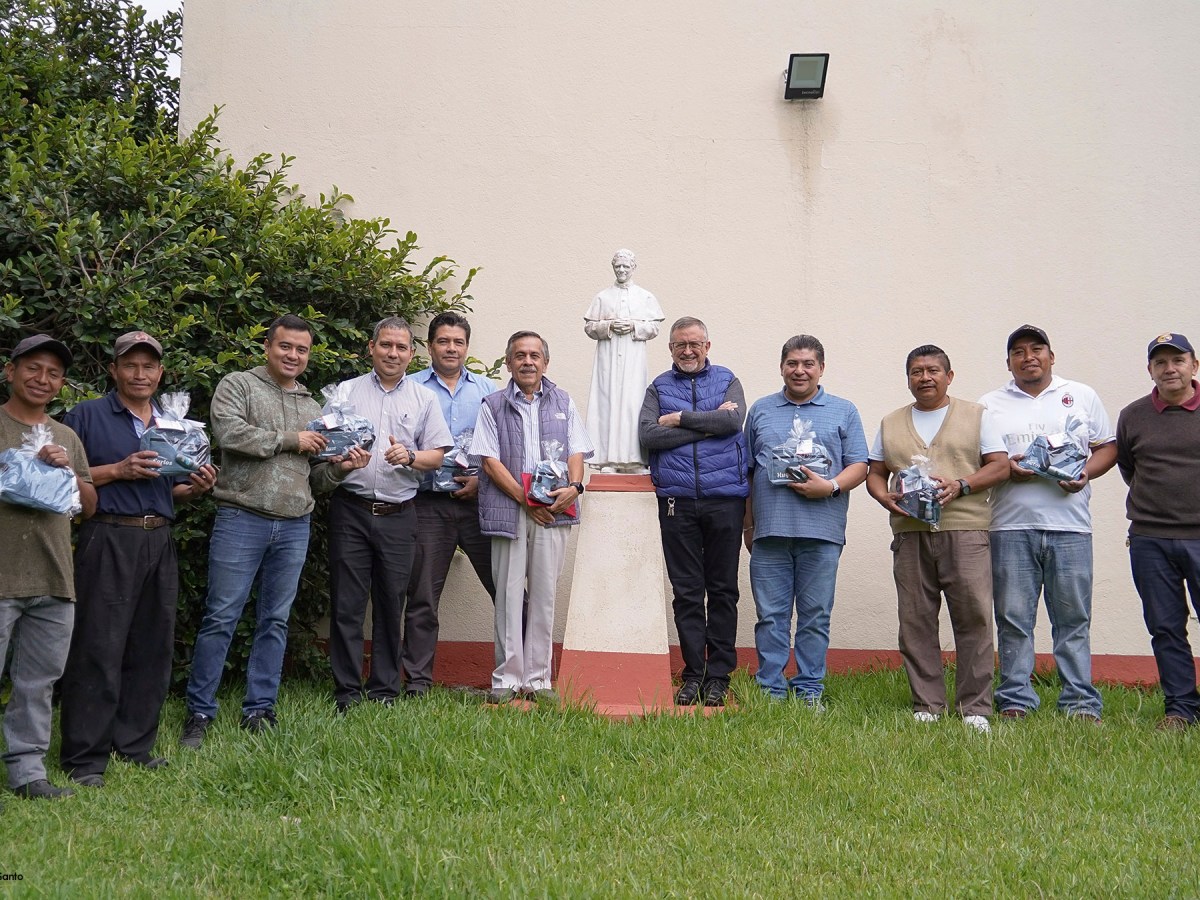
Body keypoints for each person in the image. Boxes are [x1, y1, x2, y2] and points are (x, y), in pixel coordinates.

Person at [180, 314, 369, 748]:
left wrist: (340, 469)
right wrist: (292, 439)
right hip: (240, 518)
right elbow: (229, 435)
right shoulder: (238, 385)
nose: (293, 356)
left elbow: (314, 480)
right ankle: (199, 712)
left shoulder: (314, 407)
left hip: (294, 525)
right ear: (268, 346)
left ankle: (260, 709)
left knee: (275, 621)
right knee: (221, 617)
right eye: (285, 346)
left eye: (301, 350)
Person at [59, 331, 218, 787]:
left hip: (158, 539)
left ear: (161, 373)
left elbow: (169, 489)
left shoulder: (175, 424)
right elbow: (65, 479)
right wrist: (117, 470)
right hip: (107, 537)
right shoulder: (86, 415)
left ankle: (133, 745)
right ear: (114, 370)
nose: (140, 373)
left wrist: (196, 488)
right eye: (131, 365)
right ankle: (85, 757)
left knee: (151, 647)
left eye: (149, 366)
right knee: (97, 648)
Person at [865, 344, 1008, 732]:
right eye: (916, 371)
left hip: (964, 530)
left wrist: (962, 485)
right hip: (910, 533)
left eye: (932, 370)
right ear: (908, 378)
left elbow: (1000, 466)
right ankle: (927, 703)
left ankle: (975, 708)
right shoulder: (892, 422)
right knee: (915, 618)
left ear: (949, 375)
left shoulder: (977, 416)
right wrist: (883, 497)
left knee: (973, 617)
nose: (924, 377)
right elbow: (874, 471)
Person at [979, 325, 1115, 723]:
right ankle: (1016, 699)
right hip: (1009, 526)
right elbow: (984, 462)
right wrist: (1009, 470)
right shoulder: (989, 404)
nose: (1028, 357)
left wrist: (1086, 474)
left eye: (1037, 349)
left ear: (1051, 356)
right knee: (1013, 618)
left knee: (1073, 618)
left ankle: (1080, 702)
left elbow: (1108, 447)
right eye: (1018, 352)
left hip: (1071, 526)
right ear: (1009, 363)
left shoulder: (1081, 396)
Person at [328, 317, 452, 712]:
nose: (393, 353)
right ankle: (346, 690)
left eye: (401, 348)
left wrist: (411, 456)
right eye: (386, 345)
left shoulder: (423, 398)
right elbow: (323, 444)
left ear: (410, 353)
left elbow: (437, 455)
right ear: (371, 347)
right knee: (347, 604)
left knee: (390, 602)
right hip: (351, 509)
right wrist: (341, 459)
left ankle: (384, 690)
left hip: (400, 514)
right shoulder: (345, 393)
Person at [743, 335, 868, 706]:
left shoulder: (843, 410)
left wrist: (829, 487)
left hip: (823, 531)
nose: (799, 370)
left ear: (821, 368)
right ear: (781, 367)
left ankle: (809, 687)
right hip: (769, 531)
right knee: (770, 616)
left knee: (815, 615)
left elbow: (860, 465)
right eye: (792, 363)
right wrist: (748, 525)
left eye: (808, 364)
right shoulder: (762, 410)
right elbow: (747, 472)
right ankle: (770, 688)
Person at [471, 331, 593, 703]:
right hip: (510, 510)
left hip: (554, 509)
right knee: (508, 593)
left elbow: (577, 450)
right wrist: (528, 502)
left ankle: (538, 680)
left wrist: (574, 486)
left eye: (535, 355)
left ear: (545, 362)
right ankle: (506, 679)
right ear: (508, 363)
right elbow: (489, 462)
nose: (528, 361)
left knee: (543, 595)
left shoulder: (563, 401)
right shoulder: (491, 405)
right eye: (520, 355)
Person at [0, 335, 96, 799]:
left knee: (38, 684)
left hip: (55, 579)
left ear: (61, 385)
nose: (42, 379)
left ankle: (28, 774)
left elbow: (90, 505)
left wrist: (67, 472)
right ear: (10, 371)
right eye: (33, 368)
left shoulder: (66, 436)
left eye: (53, 373)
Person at [638, 316, 748, 707]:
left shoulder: (727, 379)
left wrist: (681, 419)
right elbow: (649, 435)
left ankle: (718, 675)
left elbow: (734, 421)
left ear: (707, 346)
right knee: (686, 592)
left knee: (722, 590)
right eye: (680, 344)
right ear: (670, 349)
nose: (688, 350)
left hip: (725, 499)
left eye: (695, 344)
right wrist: (708, 425)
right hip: (676, 500)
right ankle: (692, 674)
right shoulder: (659, 387)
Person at [406, 312, 497, 696]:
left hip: (481, 504)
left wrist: (484, 481)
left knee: (507, 590)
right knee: (423, 596)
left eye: (458, 342)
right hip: (428, 505)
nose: (451, 348)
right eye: (443, 341)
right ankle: (417, 682)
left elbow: (504, 447)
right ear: (429, 347)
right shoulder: (409, 388)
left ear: (467, 347)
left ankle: (523, 677)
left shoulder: (489, 390)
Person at [1116, 332, 1200, 730]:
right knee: (1165, 627)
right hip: (1149, 539)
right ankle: (1181, 709)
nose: (1170, 368)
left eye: (1177, 360)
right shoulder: (1133, 416)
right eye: (1160, 362)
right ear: (1150, 370)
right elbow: (1130, 468)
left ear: (1193, 365)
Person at [584, 249, 664, 472]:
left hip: (633, 359)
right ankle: (608, 460)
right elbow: (590, 327)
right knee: (607, 404)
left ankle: (635, 460)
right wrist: (608, 326)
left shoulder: (645, 297)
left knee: (633, 403)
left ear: (633, 268)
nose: (621, 270)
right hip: (607, 360)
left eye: (626, 266)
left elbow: (654, 327)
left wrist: (634, 327)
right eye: (618, 266)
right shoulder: (603, 297)